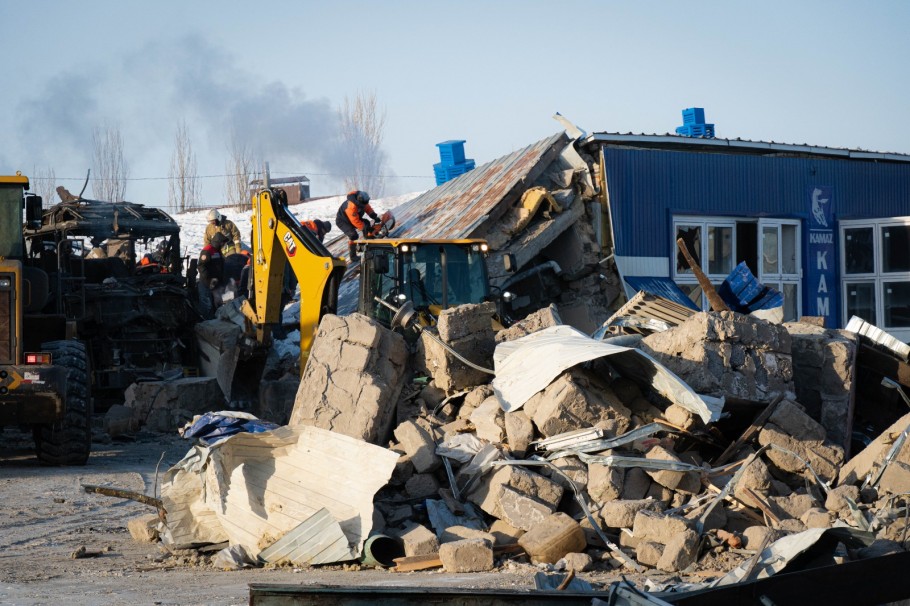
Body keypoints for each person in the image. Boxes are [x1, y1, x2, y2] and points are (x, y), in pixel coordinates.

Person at [335, 190, 378, 262]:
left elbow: (367, 208)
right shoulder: (351, 206)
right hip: (343, 221)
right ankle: (353, 256)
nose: (365, 205)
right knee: (353, 235)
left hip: (353, 219)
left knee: (366, 223)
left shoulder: (363, 201)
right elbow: (355, 221)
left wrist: (374, 216)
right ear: (359, 201)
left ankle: (368, 243)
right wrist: (366, 228)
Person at [197, 232, 227, 318]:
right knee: (206, 304)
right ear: (218, 242)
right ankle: (206, 323)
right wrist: (208, 280)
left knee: (216, 303)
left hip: (216, 283)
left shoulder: (218, 251)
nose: (223, 244)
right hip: (206, 283)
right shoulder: (207, 250)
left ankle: (214, 321)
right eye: (222, 243)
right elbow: (201, 266)